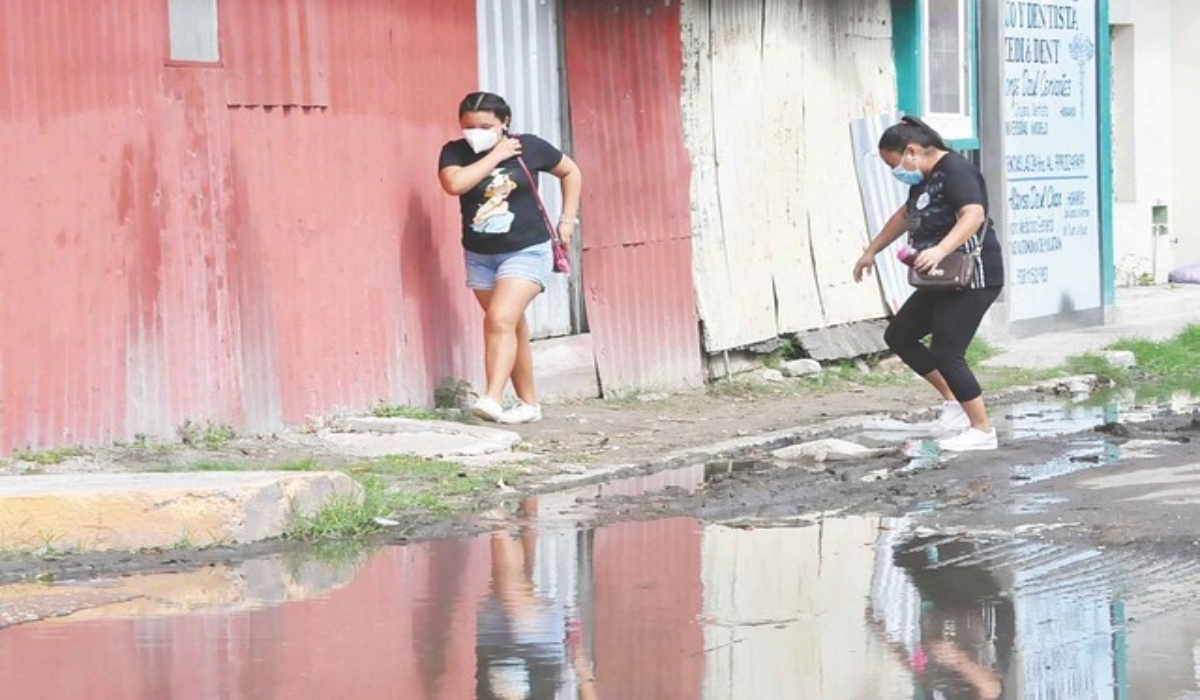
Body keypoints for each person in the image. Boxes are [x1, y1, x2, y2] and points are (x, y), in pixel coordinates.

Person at [853, 116, 1005, 452]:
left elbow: (973, 214)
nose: (896, 171)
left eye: (894, 164)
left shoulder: (956, 170)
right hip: (940, 277)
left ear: (912, 150)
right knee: (900, 336)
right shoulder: (924, 179)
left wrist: (939, 249)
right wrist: (872, 251)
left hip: (971, 275)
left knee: (948, 351)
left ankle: (982, 430)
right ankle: (955, 408)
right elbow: (905, 215)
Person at [438, 92, 583, 424]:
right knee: (511, 325)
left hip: (527, 249)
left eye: (486, 126)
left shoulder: (529, 147)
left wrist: (568, 219)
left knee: (499, 319)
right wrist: (496, 154)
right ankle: (529, 404)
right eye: (469, 126)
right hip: (480, 255)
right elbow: (455, 184)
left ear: (505, 123)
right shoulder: (454, 152)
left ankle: (491, 398)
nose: (476, 132)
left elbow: (570, 171)